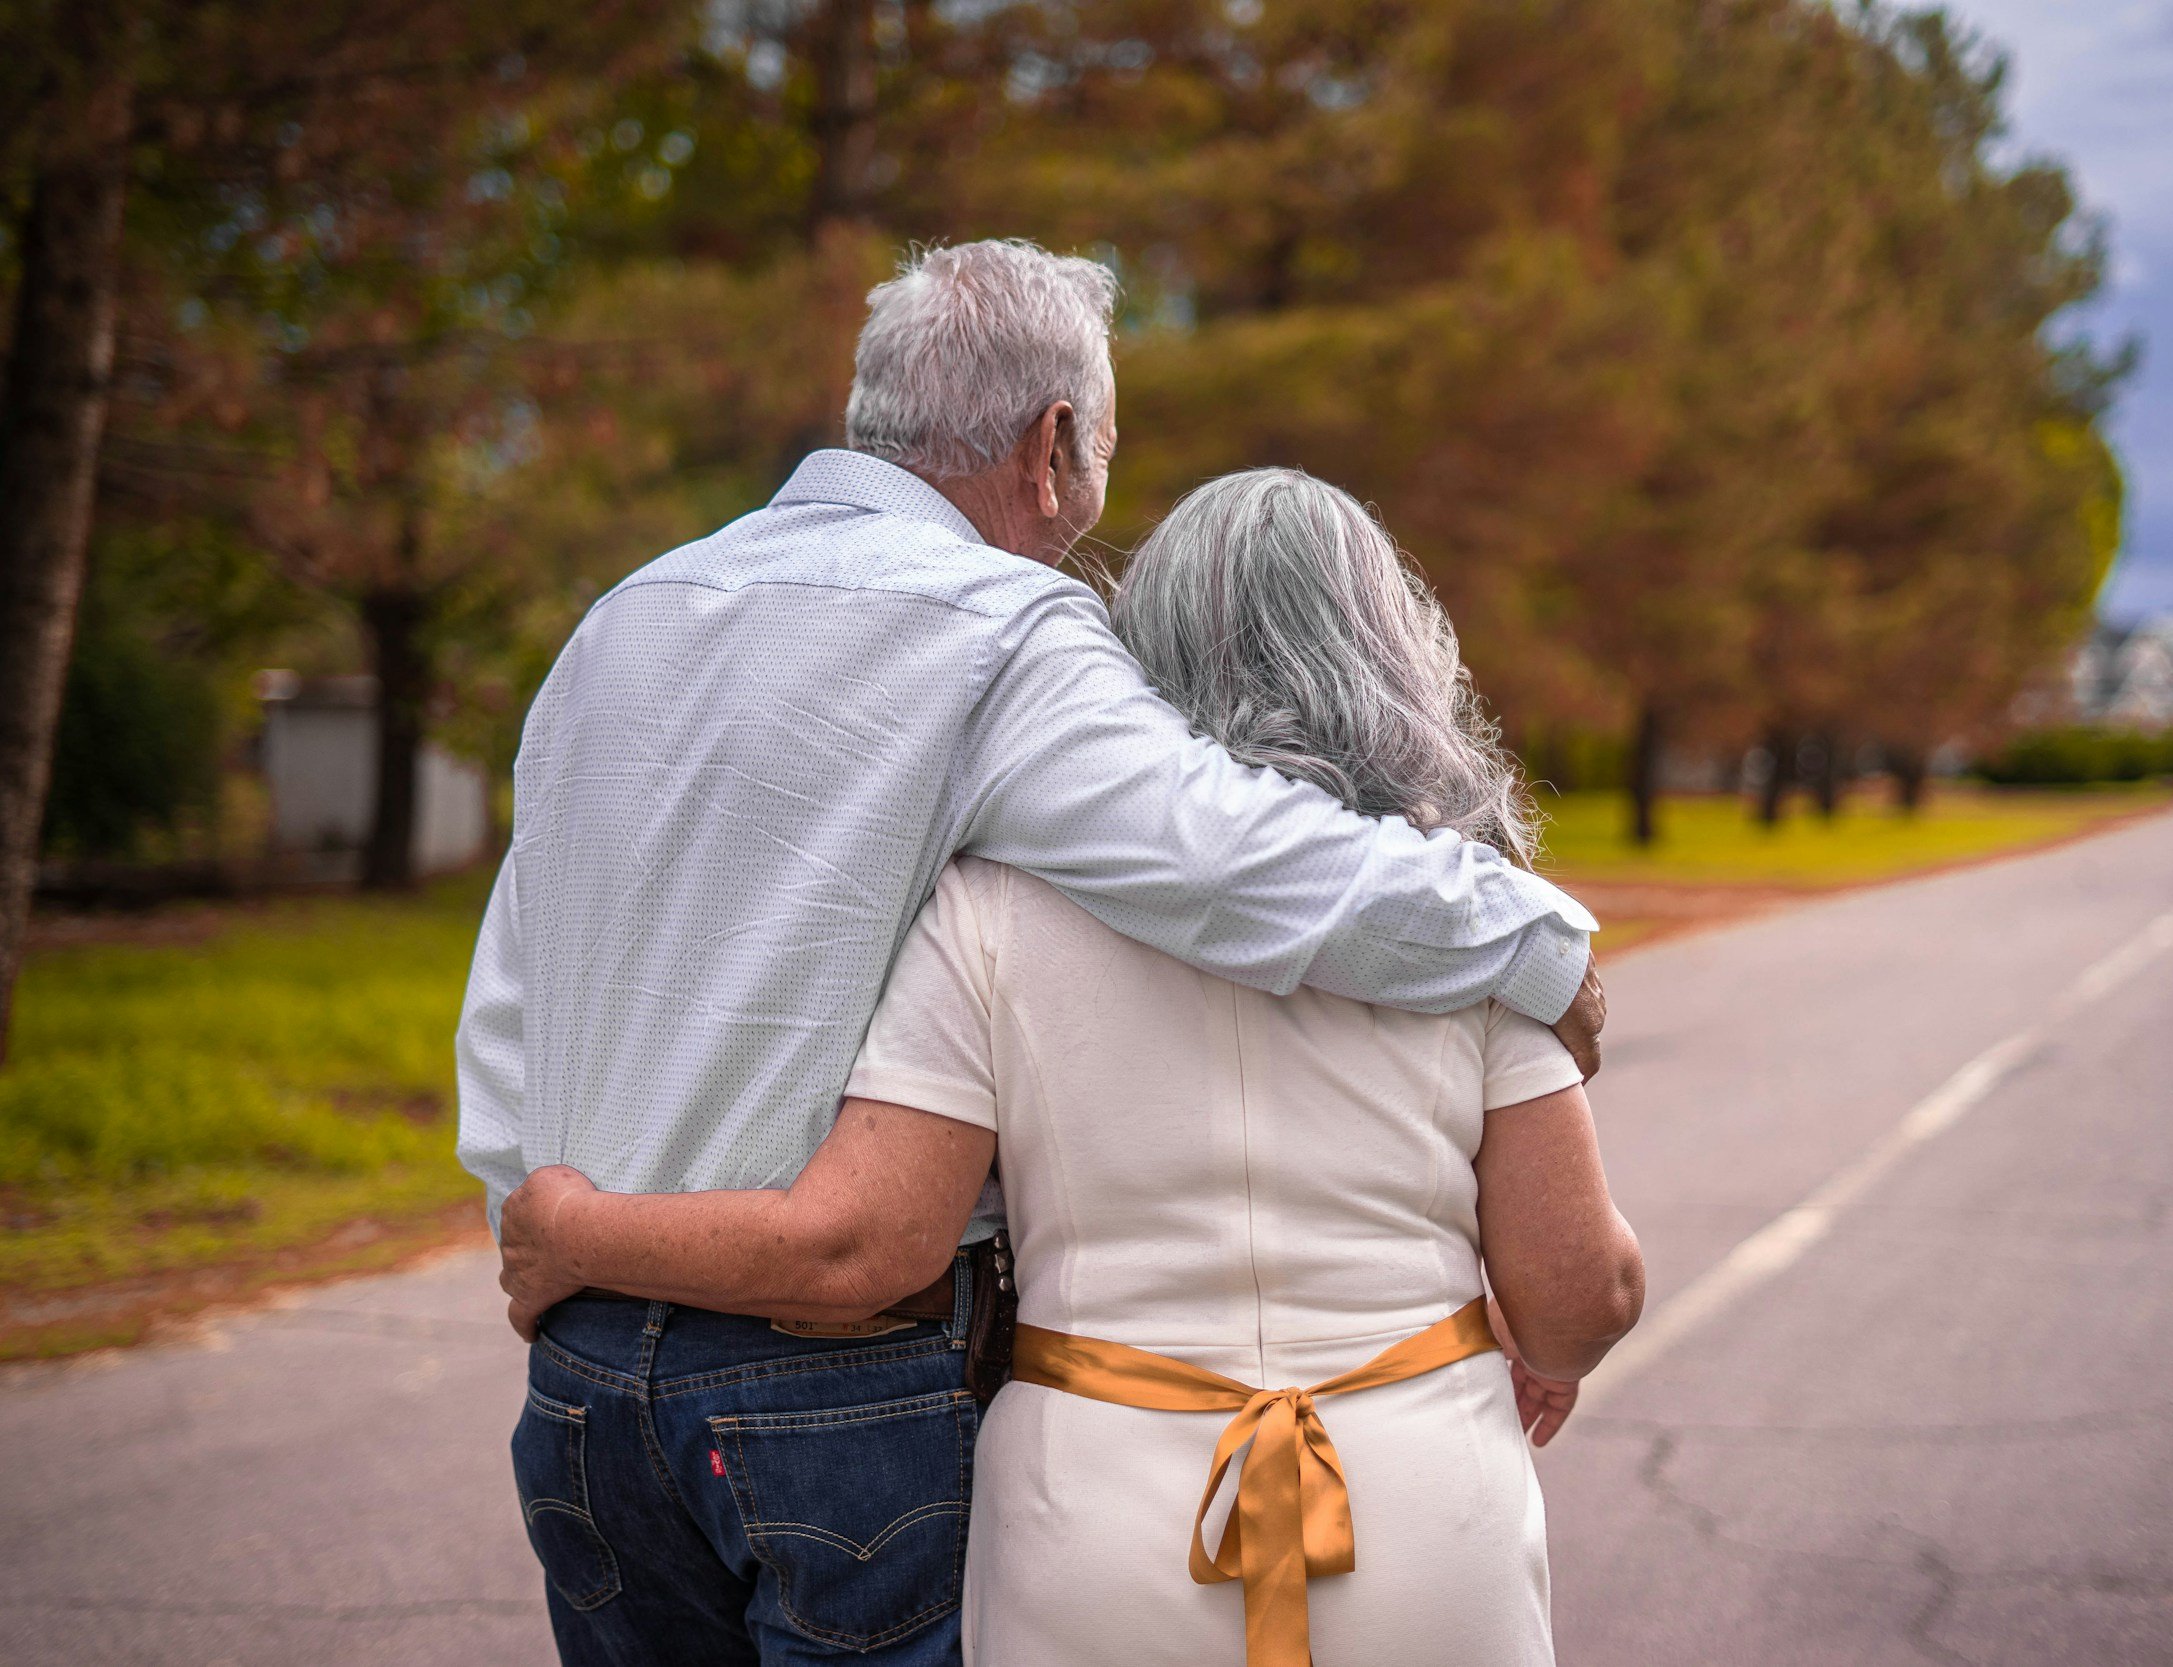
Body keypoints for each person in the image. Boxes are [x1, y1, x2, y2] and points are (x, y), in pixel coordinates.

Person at [456, 240, 1607, 1666]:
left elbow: (514, 997)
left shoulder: (620, 621)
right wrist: (1532, 933)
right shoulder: (1006, 630)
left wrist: (547, 1229)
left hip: (579, 1384)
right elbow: (1231, 858)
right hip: (832, 1392)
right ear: (1052, 447)